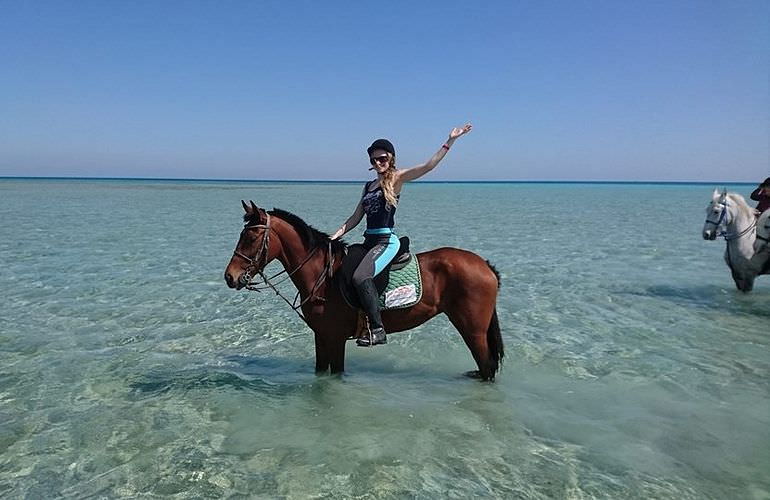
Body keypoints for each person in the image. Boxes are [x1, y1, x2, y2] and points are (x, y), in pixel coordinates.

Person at [330, 124, 473, 346]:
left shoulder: (397, 178)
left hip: (386, 242)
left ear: (391, 158)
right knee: (343, 266)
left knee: (361, 277)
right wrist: (334, 236)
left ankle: (378, 329)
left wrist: (450, 140)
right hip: (368, 241)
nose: (378, 163)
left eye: (382, 158)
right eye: (374, 159)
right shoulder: (368, 186)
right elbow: (355, 218)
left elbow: (428, 166)